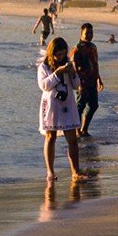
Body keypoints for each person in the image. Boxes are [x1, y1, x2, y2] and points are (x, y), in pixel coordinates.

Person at [37, 37, 89, 181]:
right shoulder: (44, 67)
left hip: (67, 104)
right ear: (51, 53)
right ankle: (50, 172)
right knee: (50, 137)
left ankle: (75, 172)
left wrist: (72, 73)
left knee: (72, 139)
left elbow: (76, 85)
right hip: (52, 105)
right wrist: (57, 73)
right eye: (57, 55)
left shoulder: (68, 64)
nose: (60, 57)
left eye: (62, 54)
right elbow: (44, 85)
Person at [72, 23, 103, 137]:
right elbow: (75, 69)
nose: (89, 35)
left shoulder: (93, 47)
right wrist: (79, 84)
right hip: (82, 82)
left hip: (92, 81)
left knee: (93, 105)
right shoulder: (77, 49)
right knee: (80, 106)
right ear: (81, 33)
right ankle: (77, 130)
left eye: (91, 33)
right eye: (87, 33)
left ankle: (84, 129)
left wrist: (99, 79)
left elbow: (95, 64)